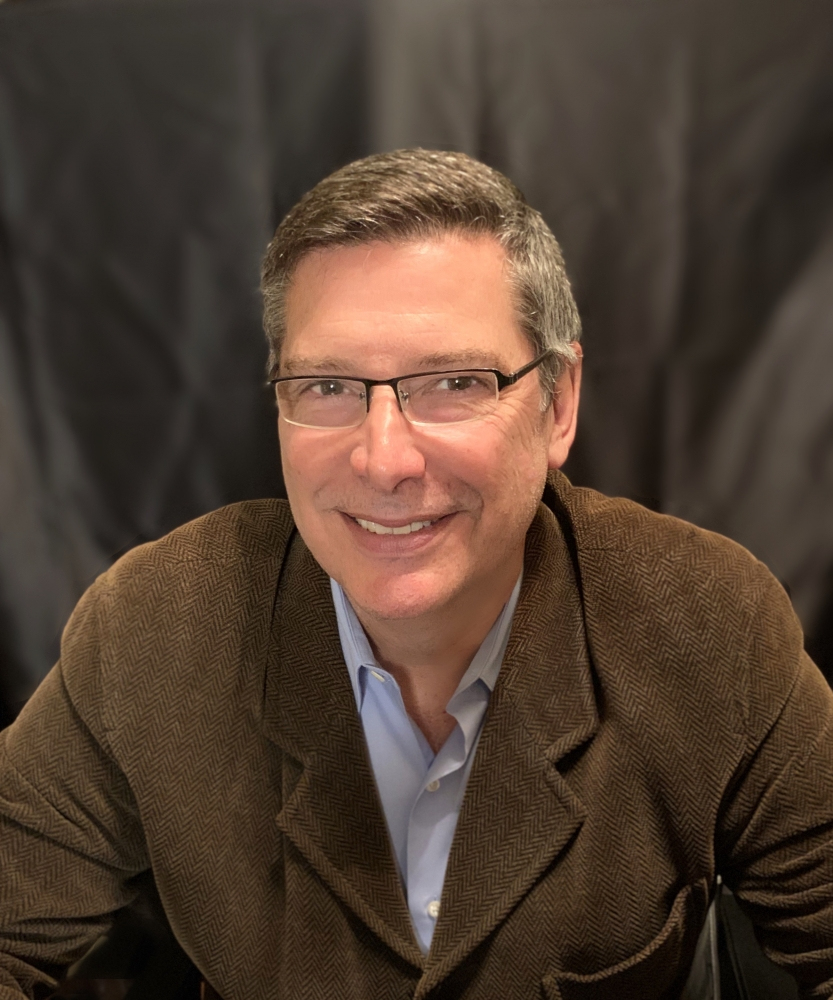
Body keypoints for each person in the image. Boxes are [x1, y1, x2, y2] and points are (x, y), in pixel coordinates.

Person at [1, 149, 832, 1000]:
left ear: (559, 403)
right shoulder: (153, 625)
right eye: (328, 384)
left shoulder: (706, 623)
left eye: (452, 383)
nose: (384, 458)